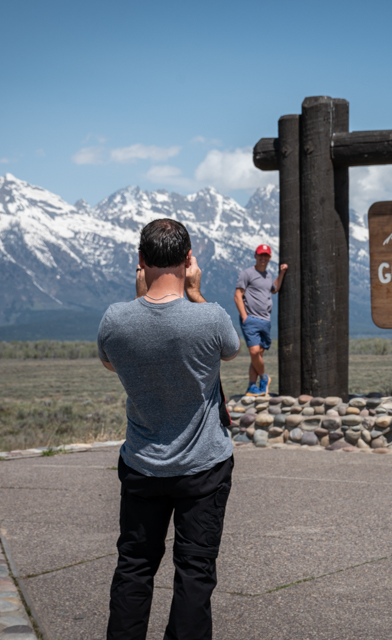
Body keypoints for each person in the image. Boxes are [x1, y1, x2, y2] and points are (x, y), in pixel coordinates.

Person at [98, 218, 240, 640]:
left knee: (134, 567)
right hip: (205, 466)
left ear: (140, 260)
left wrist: (139, 299)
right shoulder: (210, 317)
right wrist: (195, 293)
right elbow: (231, 351)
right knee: (195, 572)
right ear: (189, 259)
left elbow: (111, 362)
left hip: (142, 465)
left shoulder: (115, 320)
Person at [234, 244, 287, 396]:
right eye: (260, 255)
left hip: (265, 320)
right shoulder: (247, 273)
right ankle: (264, 378)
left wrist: (281, 273)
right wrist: (245, 317)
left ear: (269, 258)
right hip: (251, 319)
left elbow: (274, 289)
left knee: (257, 355)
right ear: (255, 256)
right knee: (254, 351)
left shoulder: (268, 276)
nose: (263, 258)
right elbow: (238, 295)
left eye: (266, 256)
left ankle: (253, 386)